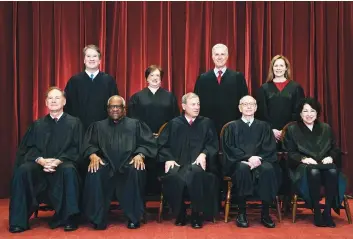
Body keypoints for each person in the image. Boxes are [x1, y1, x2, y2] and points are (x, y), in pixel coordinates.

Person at [9, 87, 84, 233]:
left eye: (57, 98)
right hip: (40, 166)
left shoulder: (75, 123)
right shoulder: (38, 125)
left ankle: (69, 218)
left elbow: (78, 149)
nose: (54, 101)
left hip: (63, 164)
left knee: (69, 170)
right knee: (23, 171)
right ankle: (18, 221)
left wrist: (57, 161)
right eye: (50, 98)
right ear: (46, 102)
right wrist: (41, 160)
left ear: (64, 101)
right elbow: (27, 149)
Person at [82, 95, 157, 230]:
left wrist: (140, 155)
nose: (115, 109)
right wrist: (92, 155)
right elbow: (88, 145)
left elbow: (148, 143)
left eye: (118, 107)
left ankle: (134, 217)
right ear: (107, 109)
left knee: (136, 169)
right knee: (95, 171)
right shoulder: (98, 126)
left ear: (124, 109)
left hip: (129, 163)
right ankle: (98, 218)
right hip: (106, 164)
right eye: (112, 107)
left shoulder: (135, 125)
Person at [157, 92, 219, 229]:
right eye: (193, 104)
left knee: (196, 174)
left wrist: (204, 154)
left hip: (199, 164)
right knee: (173, 176)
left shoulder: (206, 123)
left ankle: (197, 214)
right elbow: (162, 145)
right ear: (184, 106)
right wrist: (169, 158)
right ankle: (181, 212)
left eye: (198, 104)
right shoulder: (174, 124)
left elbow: (212, 144)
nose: (197, 107)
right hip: (178, 163)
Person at [283, 97, 345, 228]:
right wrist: (303, 159)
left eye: (312, 111)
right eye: (305, 111)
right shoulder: (293, 129)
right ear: (300, 114)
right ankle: (316, 210)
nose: (309, 114)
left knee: (333, 170)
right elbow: (290, 152)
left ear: (317, 113)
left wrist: (331, 157)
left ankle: (327, 211)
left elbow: (335, 148)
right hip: (302, 167)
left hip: (324, 163)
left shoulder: (325, 128)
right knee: (314, 171)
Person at [221, 95, 280, 228]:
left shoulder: (264, 126)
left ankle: (265, 214)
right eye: (245, 104)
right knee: (242, 169)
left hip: (261, 160)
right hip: (239, 161)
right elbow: (229, 148)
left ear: (256, 107)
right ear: (239, 108)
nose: (248, 107)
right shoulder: (232, 127)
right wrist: (247, 158)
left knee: (268, 169)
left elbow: (269, 147)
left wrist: (257, 159)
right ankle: (241, 213)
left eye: (251, 104)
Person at [128, 65, 179, 195]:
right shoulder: (137, 97)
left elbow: (175, 119)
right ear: (146, 78)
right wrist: (147, 135)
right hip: (143, 140)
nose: (155, 78)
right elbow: (133, 120)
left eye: (158, 75)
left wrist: (162, 134)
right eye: (152, 75)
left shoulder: (170, 96)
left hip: (165, 139)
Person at [194, 43, 248, 134]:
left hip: (233, 127)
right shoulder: (202, 78)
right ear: (212, 57)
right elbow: (196, 102)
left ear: (227, 56)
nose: (219, 57)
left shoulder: (238, 77)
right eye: (216, 54)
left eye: (222, 54)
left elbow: (245, 102)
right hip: (208, 128)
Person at [64, 44, 119, 131]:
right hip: (79, 130)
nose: (91, 59)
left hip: (104, 130)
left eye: (95, 56)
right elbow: (68, 106)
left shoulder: (109, 81)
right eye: (88, 56)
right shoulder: (74, 81)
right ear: (84, 60)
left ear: (100, 60)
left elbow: (115, 106)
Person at [256, 55, 305, 146]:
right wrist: (271, 130)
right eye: (276, 66)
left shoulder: (296, 87)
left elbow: (299, 111)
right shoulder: (264, 88)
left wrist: (286, 130)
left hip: (291, 133)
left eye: (281, 66)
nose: (278, 68)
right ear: (272, 68)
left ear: (286, 68)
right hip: (269, 134)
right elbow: (261, 112)